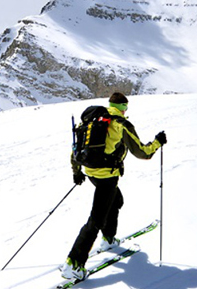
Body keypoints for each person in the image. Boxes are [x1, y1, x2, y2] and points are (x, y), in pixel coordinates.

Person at [60, 92, 167, 279]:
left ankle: (108, 238)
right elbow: (142, 152)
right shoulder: (121, 124)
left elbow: (76, 148)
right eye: (126, 108)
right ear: (123, 108)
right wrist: (157, 142)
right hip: (107, 176)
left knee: (116, 200)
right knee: (95, 220)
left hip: (90, 172)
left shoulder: (91, 119)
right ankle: (74, 263)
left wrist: (76, 172)